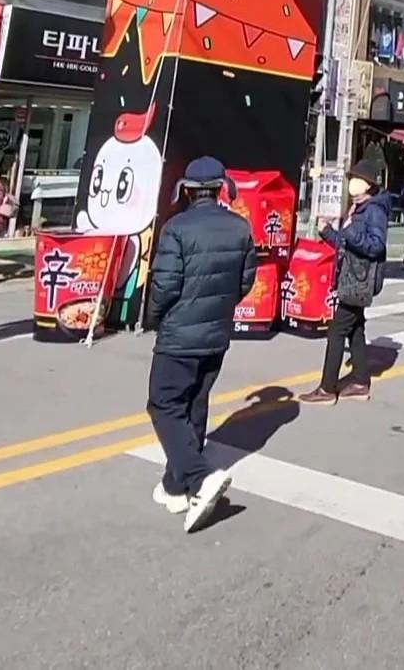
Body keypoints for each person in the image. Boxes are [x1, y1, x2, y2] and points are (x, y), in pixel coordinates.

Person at [146, 156, 256, 534]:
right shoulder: (240, 228)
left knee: (164, 405)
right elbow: (245, 282)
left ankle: (199, 477)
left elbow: (164, 286)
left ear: (189, 190)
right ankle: (175, 487)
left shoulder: (176, 228)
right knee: (195, 405)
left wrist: (154, 317)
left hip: (179, 333)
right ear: (220, 188)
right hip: (217, 333)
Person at [300, 160, 393, 405]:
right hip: (352, 277)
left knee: (337, 330)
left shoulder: (374, 210)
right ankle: (361, 381)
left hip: (359, 280)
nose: (352, 184)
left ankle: (327, 388)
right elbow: (345, 244)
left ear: (369, 186)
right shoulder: (359, 208)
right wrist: (327, 231)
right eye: (352, 178)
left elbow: (375, 246)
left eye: (357, 179)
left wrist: (350, 231)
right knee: (355, 329)